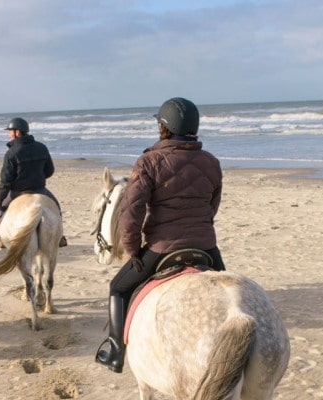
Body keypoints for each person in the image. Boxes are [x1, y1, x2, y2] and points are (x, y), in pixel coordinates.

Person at [94, 97, 225, 373]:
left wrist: (132, 250)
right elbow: (212, 205)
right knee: (228, 290)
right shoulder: (211, 162)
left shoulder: (149, 161)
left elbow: (131, 211)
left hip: (162, 248)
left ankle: (115, 351)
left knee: (118, 289)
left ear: (163, 128)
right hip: (206, 246)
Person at [0, 117, 64, 250]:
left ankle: (0, 237)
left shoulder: (11, 153)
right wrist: (38, 178)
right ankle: (60, 237)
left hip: (17, 192)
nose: (8, 134)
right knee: (57, 207)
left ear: (17, 132)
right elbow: (50, 170)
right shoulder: (42, 147)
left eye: (10, 131)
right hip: (40, 190)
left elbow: (6, 180)